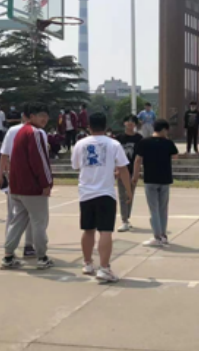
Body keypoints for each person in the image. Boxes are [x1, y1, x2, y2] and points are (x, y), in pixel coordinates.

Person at [71, 112, 132, 283]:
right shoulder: (113, 144)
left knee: (88, 229)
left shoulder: (80, 144)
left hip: (86, 193)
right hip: (105, 193)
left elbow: (76, 166)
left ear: (89, 126)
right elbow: (124, 169)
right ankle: (104, 268)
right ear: (105, 126)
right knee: (105, 230)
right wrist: (128, 191)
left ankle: (87, 263)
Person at [0, 103, 53, 269]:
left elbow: (11, 158)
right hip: (32, 188)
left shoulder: (20, 132)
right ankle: (42, 257)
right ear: (31, 117)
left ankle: (8, 256)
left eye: (46, 115)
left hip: (17, 186)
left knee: (18, 221)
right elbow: (40, 161)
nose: (44, 119)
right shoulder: (35, 133)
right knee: (39, 222)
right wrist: (46, 183)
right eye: (40, 115)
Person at [0, 106, 39, 258]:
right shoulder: (37, 131)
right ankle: (28, 245)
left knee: (13, 214)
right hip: (30, 178)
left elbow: (4, 155)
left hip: (14, 176)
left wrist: (0, 176)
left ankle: (9, 249)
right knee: (32, 214)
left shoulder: (13, 130)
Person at [132, 119, 179, 247]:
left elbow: (137, 160)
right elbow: (175, 156)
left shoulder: (144, 142)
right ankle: (163, 235)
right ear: (164, 129)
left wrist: (135, 176)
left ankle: (157, 237)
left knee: (154, 209)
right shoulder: (168, 143)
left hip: (150, 179)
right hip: (165, 179)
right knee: (163, 209)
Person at [115, 115, 143, 232]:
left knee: (130, 195)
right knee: (122, 195)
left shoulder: (139, 138)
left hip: (133, 169)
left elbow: (140, 157)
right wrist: (116, 169)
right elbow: (114, 155)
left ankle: (127, 217)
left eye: (133, 122)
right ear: (124, 123)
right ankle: (124, 220)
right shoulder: (118, 138)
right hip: (121, 170)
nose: (130, 123)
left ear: (135, 124)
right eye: (128, 121)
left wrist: (137, 173)